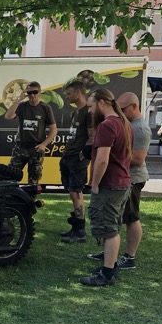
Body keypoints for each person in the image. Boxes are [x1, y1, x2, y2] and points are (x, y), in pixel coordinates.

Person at [80, 88, 131, 287]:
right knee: (113, 227)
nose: (90, 111)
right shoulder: (123, 123)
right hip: (121, 183)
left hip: (109, 185)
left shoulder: (107, 125)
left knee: (108, 230)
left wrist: (94, 183)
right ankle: (110, 266)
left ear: (101, 102)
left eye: (91, 106)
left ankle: (107, 273)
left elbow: (102, 159)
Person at [92, 92, 149, 271]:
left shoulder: (139, 128)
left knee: (131, 218)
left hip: (132, 178)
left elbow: (138, 159)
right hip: (124, 178)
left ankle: (128, 257)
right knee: (115, 222)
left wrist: (113, 154)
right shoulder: (125, 124)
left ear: (134, 107)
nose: (121, 111)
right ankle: (110, 256)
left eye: (123, 109)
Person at [4, 80, 58, 190]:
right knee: (10, 176)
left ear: (40, 92)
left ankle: (30, 199)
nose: (32, 95)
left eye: (35, 92)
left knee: (33, 181)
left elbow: (54, 129)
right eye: (29, 93)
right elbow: (8, 116)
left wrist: (44, 144)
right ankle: (11, 198)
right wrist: (18, 100)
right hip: (20, 148)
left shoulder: (46, 108)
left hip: (36, 149)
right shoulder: (22, 106)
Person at [59, 80, 91, 243]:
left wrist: (82, 156)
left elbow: (92, 137)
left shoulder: (89, 112)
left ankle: (80, 232)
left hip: (77, 160)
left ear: (78, 93)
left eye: (69, 93)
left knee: (76, 193)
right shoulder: (75, 112)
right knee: (72, 193)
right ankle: (76, 227)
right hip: (68, 157)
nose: (67, 96)